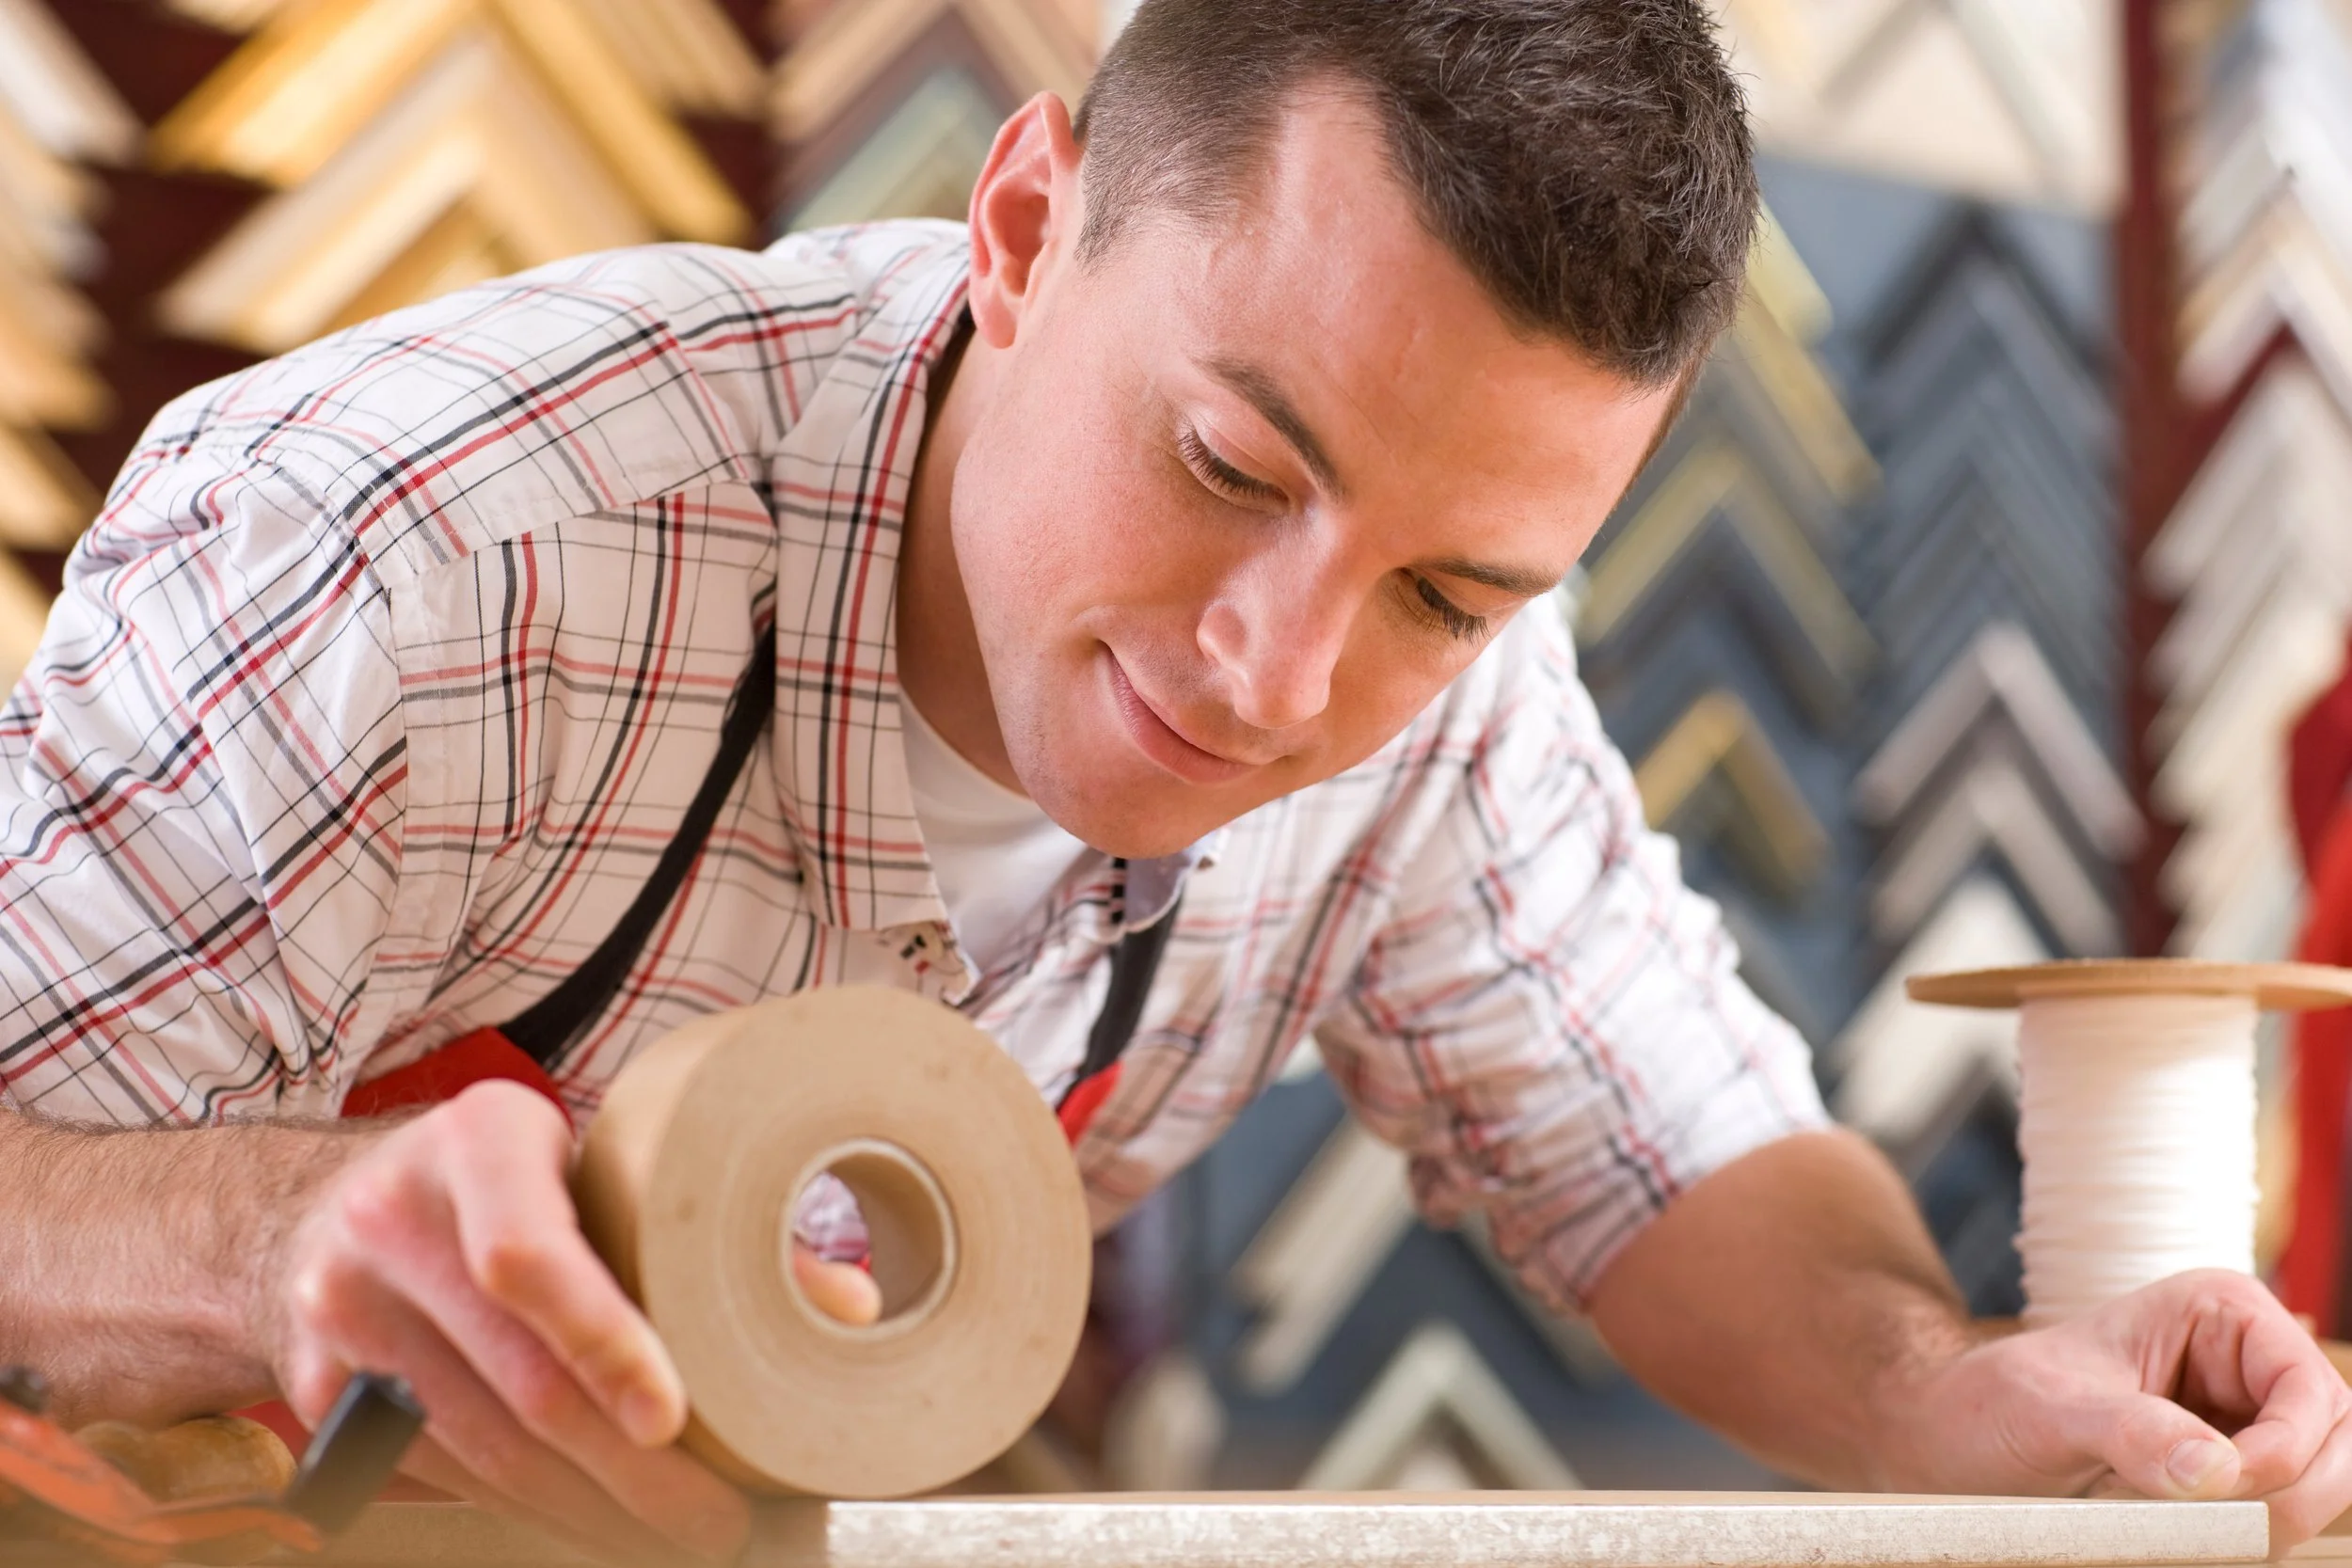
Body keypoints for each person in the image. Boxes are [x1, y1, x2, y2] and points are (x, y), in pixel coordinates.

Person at [3, 0, 2346, 1560]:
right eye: (1230, 460)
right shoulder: (416, 544)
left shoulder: (1441, 699)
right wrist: (268, 1229)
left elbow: (1668, 1153)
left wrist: (1940, 1393)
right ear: (1022, 231)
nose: (1278, 672)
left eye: (1445, 589)